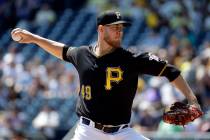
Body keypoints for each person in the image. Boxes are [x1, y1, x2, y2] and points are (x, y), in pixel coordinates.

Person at [11, 10, 202, 140]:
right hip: (88, 132)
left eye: (121, 28)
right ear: (101, 30)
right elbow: (62, 50)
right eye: (115, 27)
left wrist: (192, 99)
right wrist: (34, 38)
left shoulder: (132, 58)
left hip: (122, 133)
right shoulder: (82, 54)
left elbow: (171, 71)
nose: (120, 31)